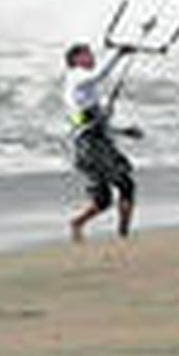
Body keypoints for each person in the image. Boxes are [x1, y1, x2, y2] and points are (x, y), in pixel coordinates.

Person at [62, 40, 141, 242]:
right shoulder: (76, 76)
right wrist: (119, 54)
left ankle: (77, 223)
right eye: (87, 54)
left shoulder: (85, 92)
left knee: (103, 200)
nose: (92, 57)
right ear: (75, 59)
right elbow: (100, 76)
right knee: (126, 184)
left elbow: (91, 123)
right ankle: (124, 236)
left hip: (90, 144)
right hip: (89, 146)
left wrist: (124, 131)